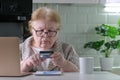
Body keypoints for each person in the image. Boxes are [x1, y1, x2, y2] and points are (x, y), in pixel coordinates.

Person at [20, 7, 79, 72]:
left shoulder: (67, 49)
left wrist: (64, 64)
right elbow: (10, 73)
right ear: (32, 30)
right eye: (40, 30)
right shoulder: (19, 49)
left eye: (50, 31)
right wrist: (27, 64)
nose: (45, 36)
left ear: (57, 31)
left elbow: (79, 73)